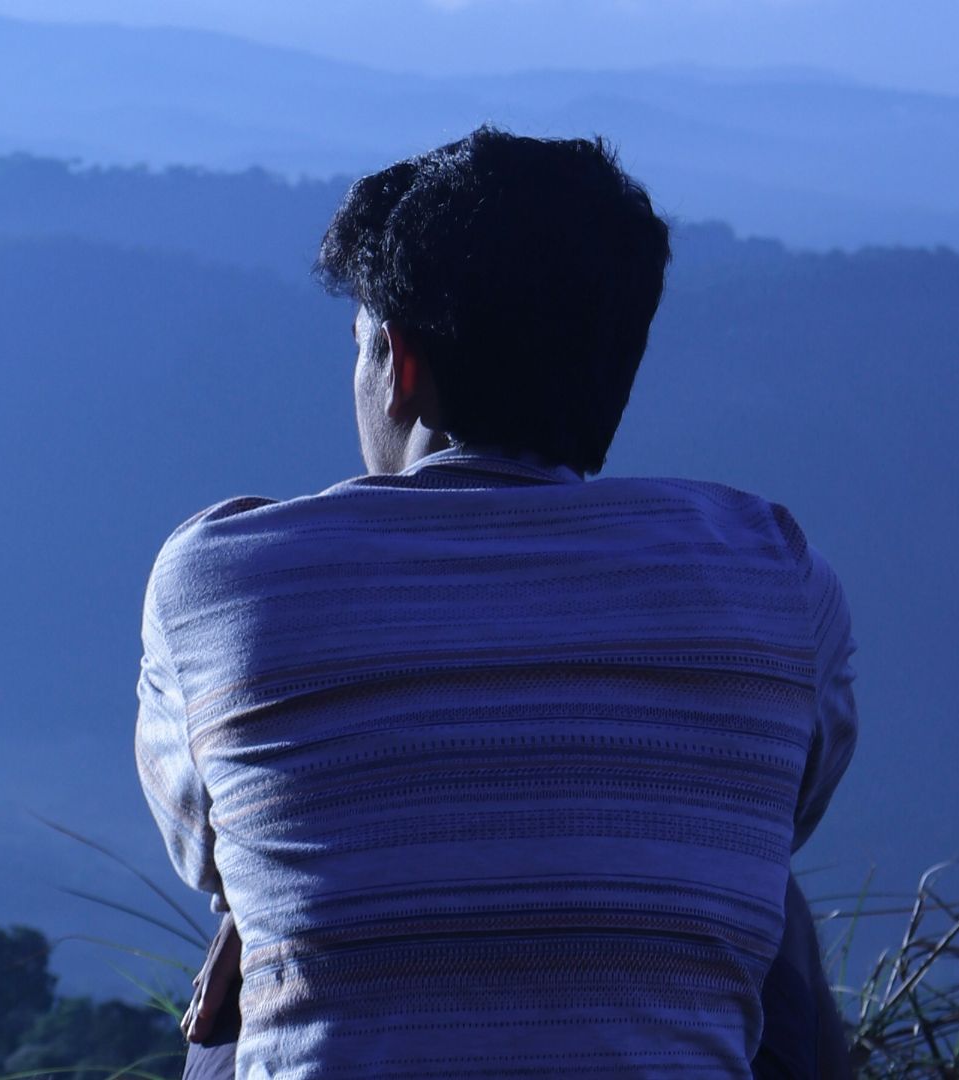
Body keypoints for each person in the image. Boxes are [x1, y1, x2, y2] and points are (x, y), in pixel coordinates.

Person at [136, 126, 858, 1079]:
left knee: (248, 958)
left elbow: (215, 854)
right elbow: (788, 807)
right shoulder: (776, 576)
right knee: (762, 892)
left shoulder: (218, 581)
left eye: (360, 343)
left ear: (398, 365)